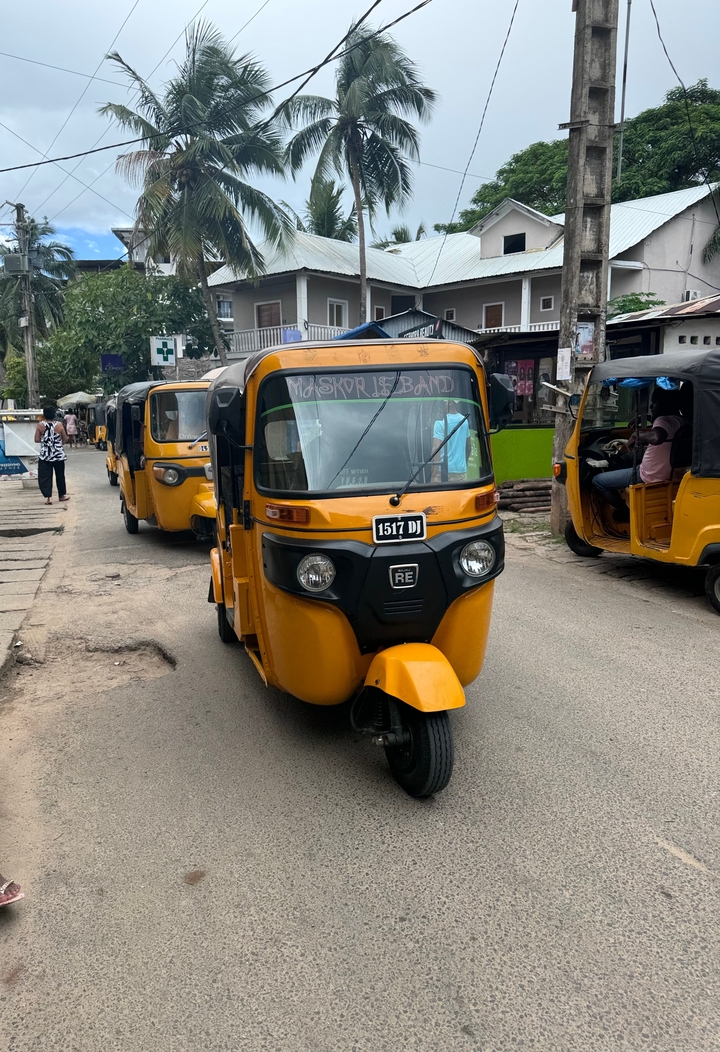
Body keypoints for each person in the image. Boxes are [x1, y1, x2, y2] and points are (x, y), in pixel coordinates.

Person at [592, 388, 684, 522]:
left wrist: (636, 435)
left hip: (649, 474)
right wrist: (645, 419)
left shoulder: (663, 421)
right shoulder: (682, 421)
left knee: (599, 481)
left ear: (666, 404)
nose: (652, 406)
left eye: (654, 403)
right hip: (673, 473)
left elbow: (657, 436)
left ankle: (625, 514)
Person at [34, 406, 70, 505]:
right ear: (54, 414)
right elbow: (65, 439)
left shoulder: (40, 425)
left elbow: (36, 439)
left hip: (45, 455)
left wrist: (45, 439)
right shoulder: (59, 425)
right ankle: (62, 496)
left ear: (44, 415)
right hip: (58, 455)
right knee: (60, 476)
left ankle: (49, 498)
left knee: (45, 476)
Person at [431, 400, 471, 483]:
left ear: (447, 404)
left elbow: (436, 449)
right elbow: (468, 447)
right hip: (460, 472)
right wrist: (464, 463)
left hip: (442, 472)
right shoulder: (464, 421)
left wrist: (434, 475)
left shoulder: (440, 423)